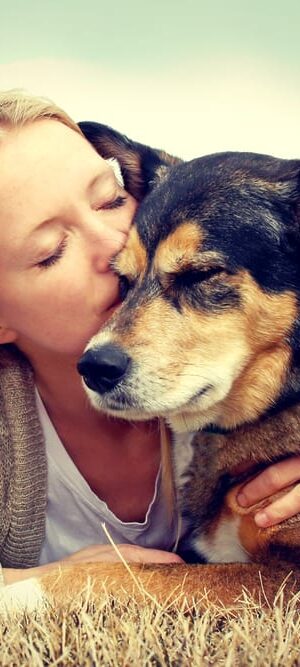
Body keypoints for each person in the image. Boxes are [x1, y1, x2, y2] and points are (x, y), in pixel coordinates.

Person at [0, 90, 299, 587]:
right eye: (51, 251)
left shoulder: (240, 385)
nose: (117, 244)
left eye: (112, 200)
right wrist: (45, 582)